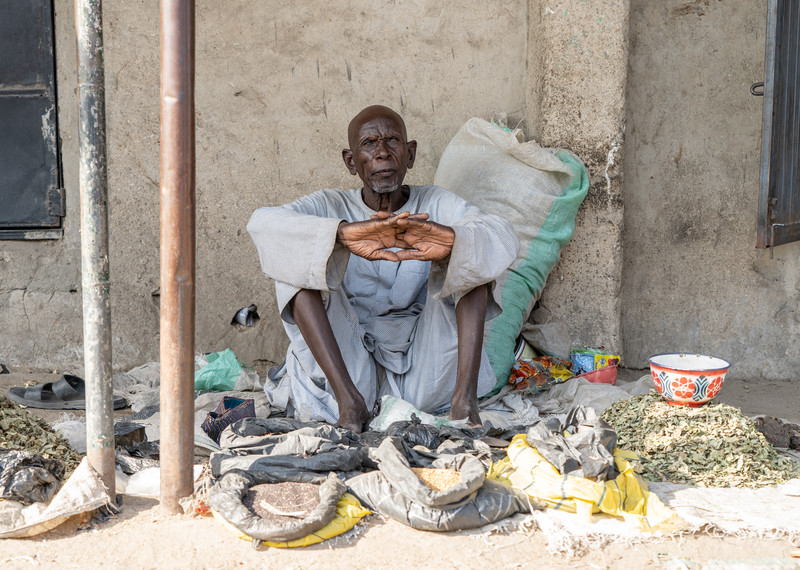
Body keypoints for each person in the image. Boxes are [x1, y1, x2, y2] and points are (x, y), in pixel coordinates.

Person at [247, 105, 519, 432]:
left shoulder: (436, 204)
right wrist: (341, 234)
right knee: (294, 258)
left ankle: (464, 402)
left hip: (424, 375)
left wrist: (450, 242)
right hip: (348, 370)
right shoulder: (329, 205)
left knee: (472, 256)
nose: (382, 154)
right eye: (369, 144)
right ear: (351, 161)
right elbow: (263, 223)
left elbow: (498, 234)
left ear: (410, 154)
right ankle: (351, 405)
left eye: (392, 142)